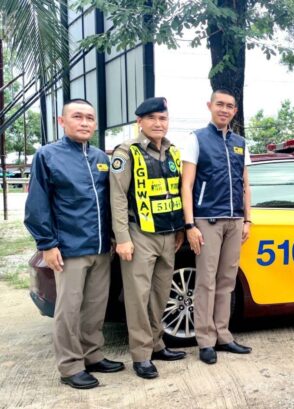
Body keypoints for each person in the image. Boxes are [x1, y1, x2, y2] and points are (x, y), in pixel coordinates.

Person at [24, 99, 124, 389]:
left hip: (101, 247)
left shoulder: (100, 157)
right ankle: (70, 366)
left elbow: (110, 201)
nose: (84, 122)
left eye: (89, 118)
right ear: (62, 121)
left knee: (95, 307)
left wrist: (115, 237)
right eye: (77, 117)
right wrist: (47, 244)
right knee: (68, 309)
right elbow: (37, 204)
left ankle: (92, 355)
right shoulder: (47, 156)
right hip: (68, 248)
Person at [109, 97, 187, 379]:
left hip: (168, 234)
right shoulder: (127, 152)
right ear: (139, 122)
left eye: (163, 118)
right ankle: (141, 355)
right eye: (152, 118)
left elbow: (177, 191)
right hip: (139, 234)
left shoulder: (173, 151)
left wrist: (180, 228)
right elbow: (118, 197)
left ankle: (156, 344)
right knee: (138, 298)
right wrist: (122, 237)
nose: (158, 123)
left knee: (160, 294)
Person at [180, 89, 252, 365]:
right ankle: (205, 340)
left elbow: (246, 185)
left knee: (227, 281)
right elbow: (186, 185)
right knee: (206, 282)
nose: (224, 109)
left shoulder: (240, 143)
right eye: (219, 104)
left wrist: (247, 219)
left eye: (229, 106)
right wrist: (190, 225)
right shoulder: (196, 139)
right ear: (209, 105)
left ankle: (223, 335)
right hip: (207, 220)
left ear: (235, 111)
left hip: (235, 220)